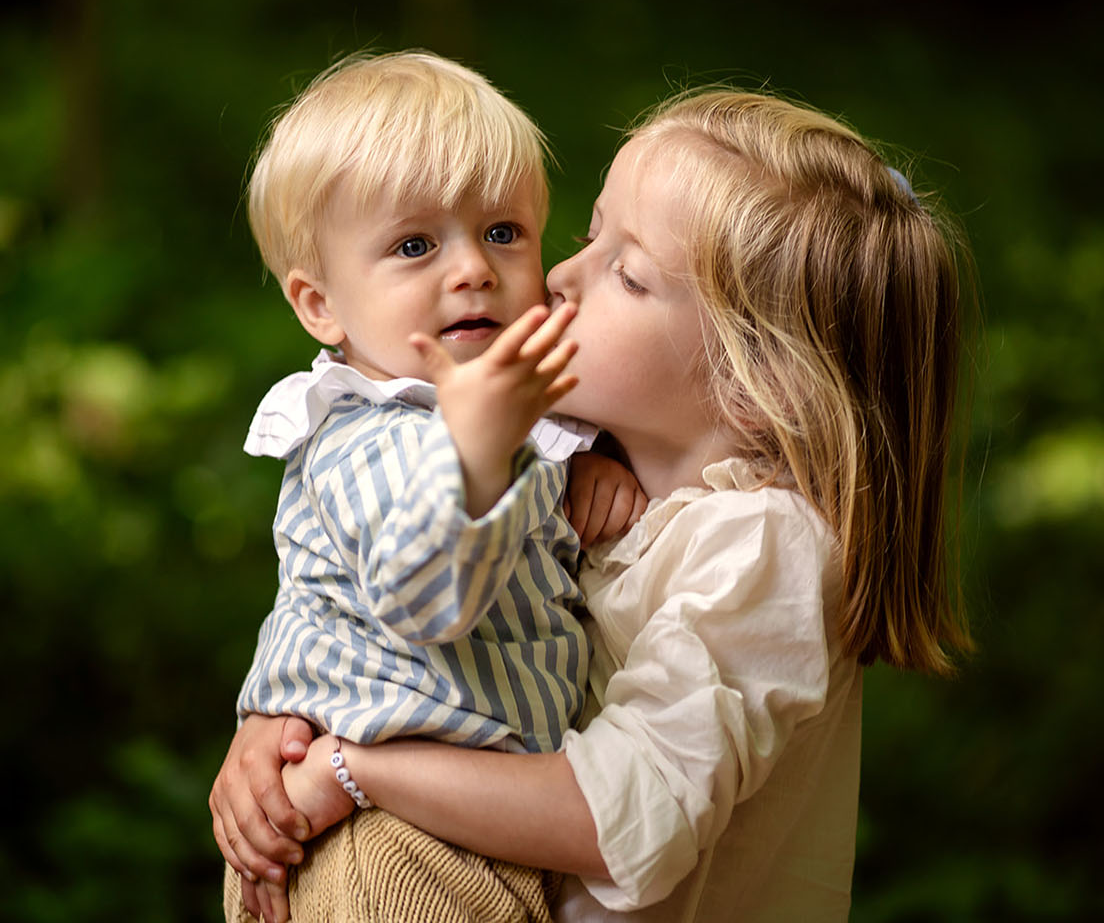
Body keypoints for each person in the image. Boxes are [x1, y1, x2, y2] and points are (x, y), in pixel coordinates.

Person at [212, 87, 973, 922]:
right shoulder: (572, 469)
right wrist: (281, 721)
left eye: (628, 274)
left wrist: (352, 765)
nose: (561, 276)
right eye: (586, 235)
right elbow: (364, 597)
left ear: (759, 385)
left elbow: (621, 822)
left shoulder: (762, 545)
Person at [224, 50, 646, 922]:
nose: (472, 270)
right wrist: (484, 456)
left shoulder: (509, 423)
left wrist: (579, 464)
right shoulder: (367, 435)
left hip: (470, 825)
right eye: (414, 245)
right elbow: (426, 599)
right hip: (381, 842)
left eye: (503, 232)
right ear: (319, 306)